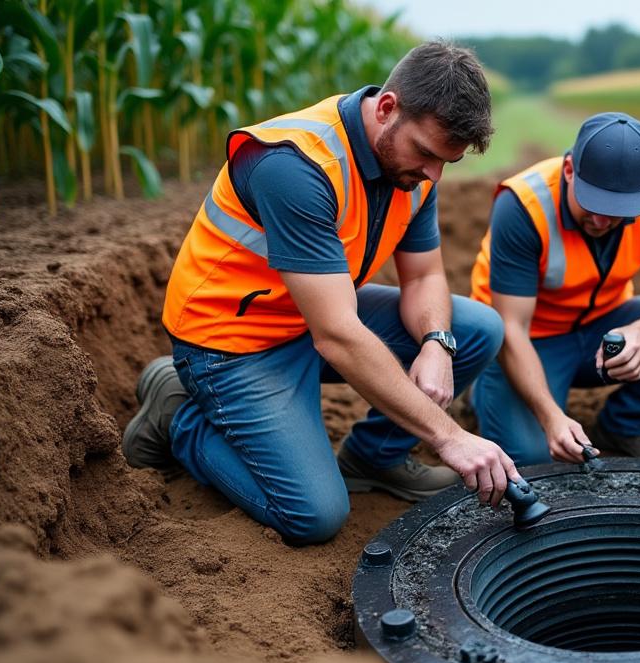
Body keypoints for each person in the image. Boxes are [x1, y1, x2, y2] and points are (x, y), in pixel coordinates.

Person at [121, 42, 519, 545]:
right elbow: (337, 336)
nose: (433, 175)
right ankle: (176, 411)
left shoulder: (414, 170)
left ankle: (374, 459)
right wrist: (448, 436)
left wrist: (438, 342)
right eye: (425, 153)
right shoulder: (295, 166)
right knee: (314, 515)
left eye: (448, 162)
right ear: (388, 107)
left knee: (475, 329)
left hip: (311, 318)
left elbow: (423, 278)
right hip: (234, 343)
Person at [469, 112, 640, 466]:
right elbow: (513, 328)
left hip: (603, 328)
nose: (603, 221)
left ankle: (623, 425)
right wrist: (551, 418)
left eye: (618, 211)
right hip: (529, 338)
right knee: (533, 459)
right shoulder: (524, 206)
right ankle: (481, 385)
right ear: (569, 171)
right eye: (593, 204)